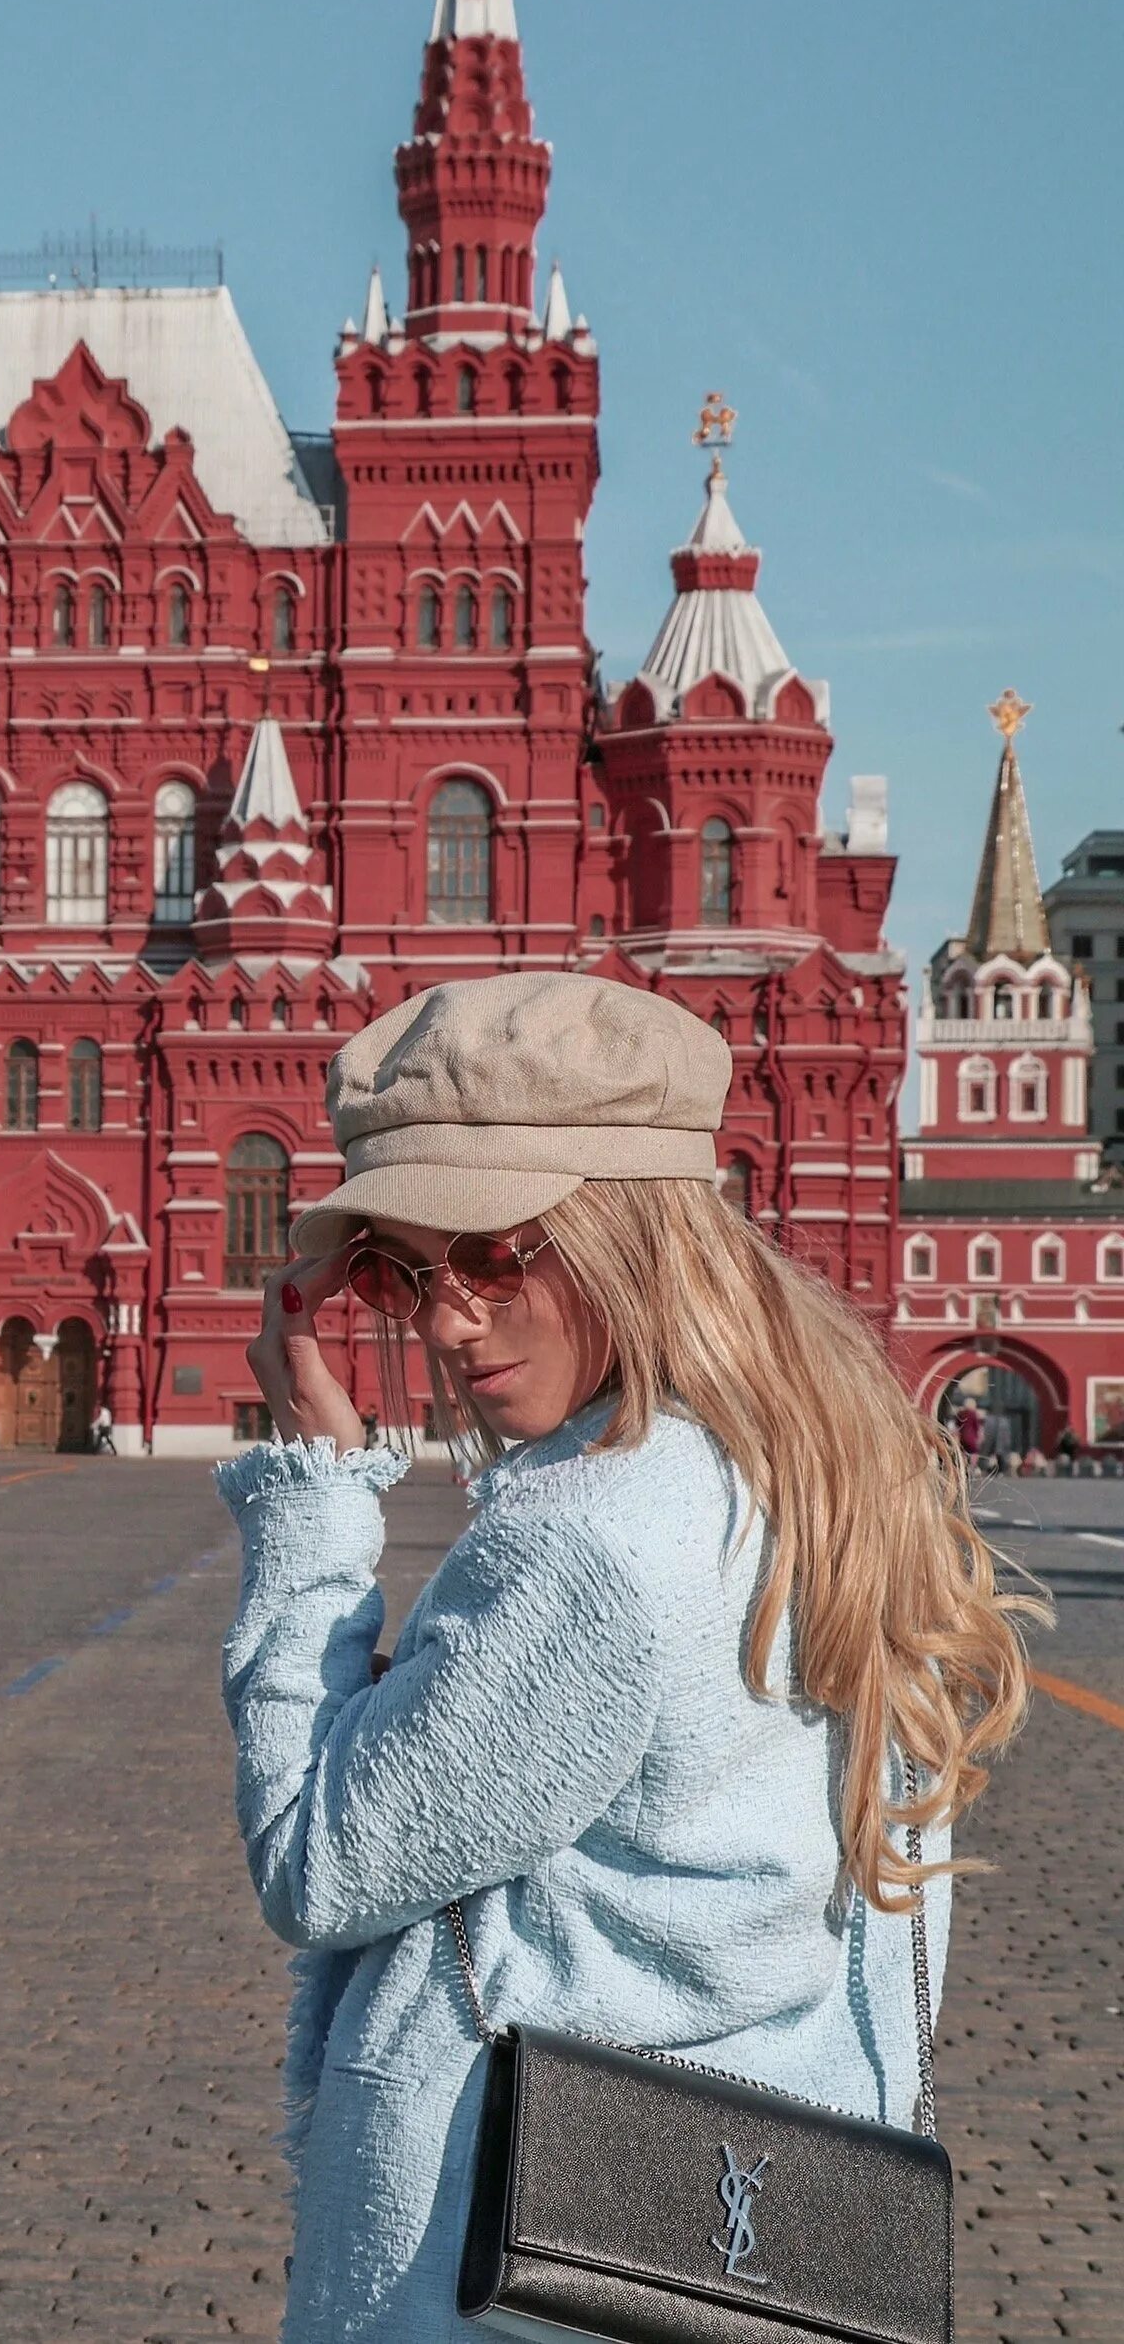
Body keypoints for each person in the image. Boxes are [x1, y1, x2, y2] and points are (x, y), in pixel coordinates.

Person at [217, 974, 1038, 2344]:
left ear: (627, 1234)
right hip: (755, 2223)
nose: (448, 1321)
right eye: (409, 1273)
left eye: (496, 1254)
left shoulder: (594, 1539)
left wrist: (314, 1491)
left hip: (523, 2269)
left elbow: (320, 1862)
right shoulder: (810, 1469)